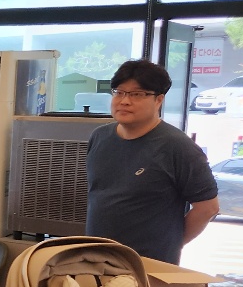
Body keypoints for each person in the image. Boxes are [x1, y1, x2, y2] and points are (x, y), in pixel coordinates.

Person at [86, 60, 219, 264]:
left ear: (159, 100)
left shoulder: (178, 146)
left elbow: (208, 208)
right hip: (95, 259)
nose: (124, 101)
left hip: (148, 266)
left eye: (137, 94)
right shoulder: (100, 137)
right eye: (119, 92)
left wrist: (171, 245)